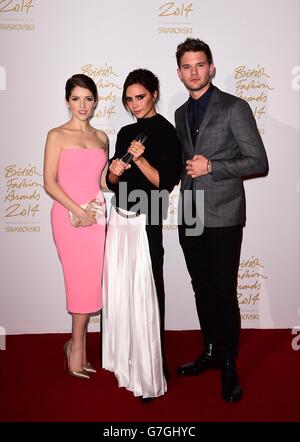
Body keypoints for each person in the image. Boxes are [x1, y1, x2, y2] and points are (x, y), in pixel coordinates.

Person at [174, 38, 268, 402]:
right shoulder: (181, 113)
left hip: (225, 213)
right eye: (186, 66)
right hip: (191, 214)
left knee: (225, 292)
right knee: (201, 287)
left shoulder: (235, 107)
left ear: (211, 68)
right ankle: (211, 350)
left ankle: (228, 364)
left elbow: (257, 161)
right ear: (179, 72)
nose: (193, 72)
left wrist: (212, 166)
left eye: (200, 65)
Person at [102, 68, 182, 401]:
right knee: (121, 292)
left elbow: (165, 182)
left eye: (141, 97)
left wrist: (140, 158)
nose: (135, 104)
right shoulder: (124, 131)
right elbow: (111, 183)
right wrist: (114, 171)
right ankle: (126, 360)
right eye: (129, 99)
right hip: (118, 219)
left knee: (147, 293)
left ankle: (152, 368)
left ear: (154, 94)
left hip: (145, 221)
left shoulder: (166, 132)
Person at [43, 74, 108, 379]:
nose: (82, 105)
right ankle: (77, 348)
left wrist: (122, 168)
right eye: (76, 98)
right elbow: (49, 183)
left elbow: (103, 181)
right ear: (67, 100)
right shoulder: (56, 135)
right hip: (68, 216)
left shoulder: (102, 137)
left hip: (96, 216)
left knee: (90, 281)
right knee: (77, 279)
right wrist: (77, 212)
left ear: (95, 101)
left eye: (88, 98)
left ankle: (75, 344)